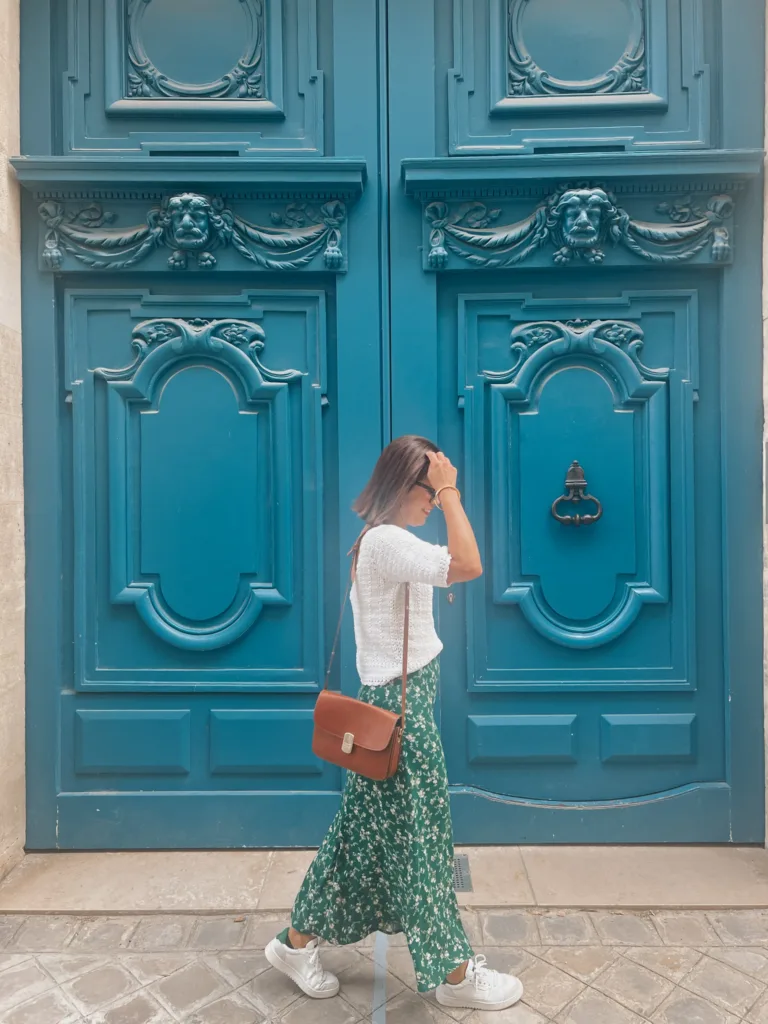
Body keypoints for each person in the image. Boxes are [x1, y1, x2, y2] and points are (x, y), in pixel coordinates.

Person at [265, 436, 523, 1012]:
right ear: (403, 485)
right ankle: (454, 976)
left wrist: (444, 487)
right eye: (429, 491)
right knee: (424, 838)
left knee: (358, 841)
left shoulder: (389, 541)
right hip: (397, 712)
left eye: (437, 493)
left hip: (401, 702)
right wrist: (454, 492)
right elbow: (471, 564)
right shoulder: (384, 541)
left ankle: (293, 943)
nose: (435, 502)